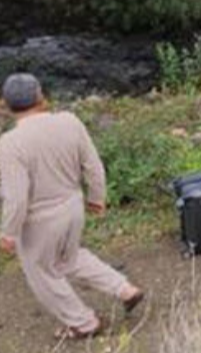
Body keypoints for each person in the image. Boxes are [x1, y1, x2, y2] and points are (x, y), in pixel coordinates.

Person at [0, 74, 144, 340]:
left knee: (41, 272)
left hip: (39, 220)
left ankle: (83, 323)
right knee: (70, 259)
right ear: (41, 96)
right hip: (73, 206)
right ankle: (124, 289)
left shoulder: (9, 144)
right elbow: (93, 164)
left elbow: (17, 196)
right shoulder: (69, 121)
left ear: (5, 105)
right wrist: (97, 197)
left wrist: (8, 232)